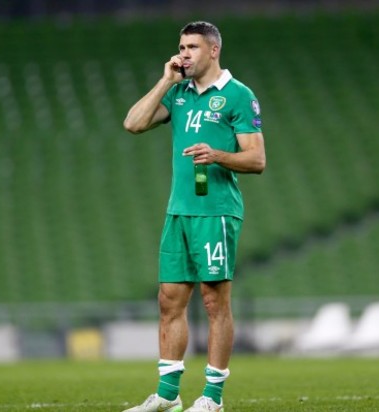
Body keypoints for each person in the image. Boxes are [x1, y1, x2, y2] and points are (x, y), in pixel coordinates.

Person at [122, 20, 266, 412]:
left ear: (213, 50)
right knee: (169, 300)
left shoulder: (238, 95)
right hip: (179, 210)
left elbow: (257, 159)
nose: (184, 53)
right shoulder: (179, 93)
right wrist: (165, 81)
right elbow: (133, 123)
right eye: (181, 47)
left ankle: (213, 398)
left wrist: (216, 155)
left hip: (216, 211)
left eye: (192, 47)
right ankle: (167, 395)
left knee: (214, 301)